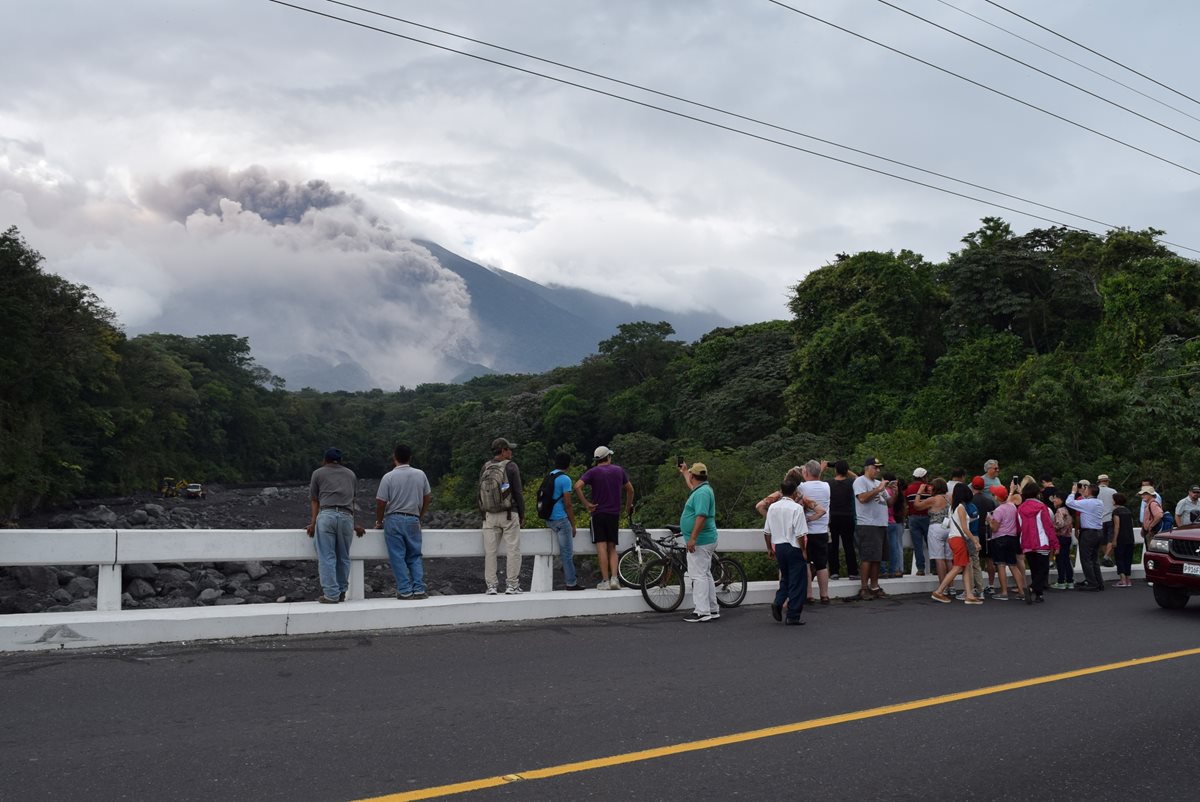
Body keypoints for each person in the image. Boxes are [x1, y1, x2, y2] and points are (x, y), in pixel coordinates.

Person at [307, 447, 365, 604]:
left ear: (325, 460)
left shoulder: (318, 473)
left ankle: (331, 594)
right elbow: (352, 501)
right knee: (343, 557)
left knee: (327, 556)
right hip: (346, 517)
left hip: (327, 515)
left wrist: (313, 523)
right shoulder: (350, 474)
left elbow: (315, 500)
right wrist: (354, 523)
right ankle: (341, 591)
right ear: (341, 461)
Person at [374, 443, 432, 600]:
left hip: (393, 519)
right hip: (413, 518)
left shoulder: (388, 477)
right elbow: (428, 497)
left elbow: (381, 502)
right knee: (414, 555)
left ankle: (405, 590)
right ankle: (419, 589)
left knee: (397, 556)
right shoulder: (420, 474)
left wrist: (379, 521)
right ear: (410, 458)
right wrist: (420, 514)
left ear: (394, 458)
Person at [575, 445, 634, 591]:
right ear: (608, 457)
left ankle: (605, 580)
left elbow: (577, 486)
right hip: (614, 514)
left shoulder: (593, 472)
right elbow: (630, 490)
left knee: (601, 547)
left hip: (598, 513)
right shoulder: (619, 470)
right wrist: (627, 506)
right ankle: (615, 579)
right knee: (612, 547)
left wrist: (587, 504)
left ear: (597, 460)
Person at [479, 437, 525, 595]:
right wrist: (522, 513)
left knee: (490, 552)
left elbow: (479, 493)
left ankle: (491, 586)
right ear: (504, 451)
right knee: (513, 549)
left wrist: (483, 515)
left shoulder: (486, 466)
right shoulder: (511, 467)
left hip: (489, 515)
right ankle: (512, 585)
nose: (511, 452)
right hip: (508, 514)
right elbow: (517, 492)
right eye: (509, 449)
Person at [765, 480, 809, 626]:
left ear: (781, 491)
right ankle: (793, 615)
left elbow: (766, 531)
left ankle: (778, 602)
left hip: (779, 546)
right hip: (794, 547)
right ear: (795, 492)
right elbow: (800, 534)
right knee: (797, 581)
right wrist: (803, 550)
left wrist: (770, 548)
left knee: (786, 578)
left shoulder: (772, 507)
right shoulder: (797, 508)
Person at [679, 461, 719, 623]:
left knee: (698, 576)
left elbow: (701, 516)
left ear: (694, 477)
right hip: (705, 539)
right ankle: (712, 608)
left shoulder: (702, 493)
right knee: (705, 573)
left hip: (701, 540)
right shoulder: (701, 490)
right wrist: (684, 473)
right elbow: (691, 486)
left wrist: (693, 538)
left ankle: (702, 611)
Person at [931, 484, 982, 604]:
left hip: (954, 539)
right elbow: (965, 528)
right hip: (960, 539)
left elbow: (948, 524)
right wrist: (975, 541)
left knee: (965, 566)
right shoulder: (961, 508)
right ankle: (939, 591)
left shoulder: (952, 508)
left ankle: (969, 594)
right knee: (958, 567)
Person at [852, 457, 891, 600]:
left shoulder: (877, 483)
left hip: (881, 523)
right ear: (867, 467)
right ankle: (864, 588)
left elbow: (889, 502)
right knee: (868, 557)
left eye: (879, 468)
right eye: (875, 467)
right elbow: (862, 498)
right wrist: (878, 489)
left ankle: (874, 586)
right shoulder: (860, 481)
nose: (878, 470)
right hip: (868, 524)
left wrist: (895, 491)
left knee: (877, 558)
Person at [545, 452, 583, 590]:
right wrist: (573, 524)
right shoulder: (565, 479)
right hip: (561, 520)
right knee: (567, 553)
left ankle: (569, 575)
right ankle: (571, 583)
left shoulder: (550, 475)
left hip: (549, 519)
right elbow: (568, 504)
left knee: (565, 553)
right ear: (568, 465)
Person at [1017, 481, 1058, 603]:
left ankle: (1038, 594)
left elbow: (1019, 527)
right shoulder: (1041, 507)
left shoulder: (1020, 508)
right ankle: (1032, 589)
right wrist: (1055, 543)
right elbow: (1048, 527)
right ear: (1037, 493)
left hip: (1026, 542)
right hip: (1042, 542)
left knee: (1035, 569)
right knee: (1043, 569)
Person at [987, 485, 1027, 601]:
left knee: (1001, 565)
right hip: (1012, 538)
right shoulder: (1012, 506)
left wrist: (990, 521)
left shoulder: (999, 510)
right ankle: (1021, 590)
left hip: (1000, 539)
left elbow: (994, 528)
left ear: (997, 497)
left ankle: (1004, 592)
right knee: (1013, 565)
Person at [1067, 481, 1106, 592]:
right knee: (1094, 559)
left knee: (1086, 559)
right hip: (1098, 532)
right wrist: (1083, 492)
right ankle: (1099, 582)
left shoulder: (1088, 503)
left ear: (1089, 492)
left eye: (1086, 489)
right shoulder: (1099, 502)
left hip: (1088, 533)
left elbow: (1069, 502)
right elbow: (1085, 501)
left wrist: (1073, 492)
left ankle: (1092, 583)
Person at [912, 478, 950, 587]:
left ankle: (943, 587)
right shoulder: (950, 497)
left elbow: (917, 506)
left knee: (939, 559)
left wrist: (919, 492)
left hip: (936, 528)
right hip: (949, 527)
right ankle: (951, 587)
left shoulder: (933, 500)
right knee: (949, 559)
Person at [827, 460, 858, 581]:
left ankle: (834, 572)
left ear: (835, 470)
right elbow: (858, 478)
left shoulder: (828, 483)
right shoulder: (851, 482)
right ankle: (853, 572)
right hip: (848, 516)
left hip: (833, 517)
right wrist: (846, 470)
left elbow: (816, 483)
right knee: (848, 545)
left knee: (833, 545)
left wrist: (823, 468)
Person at [971, 476, 997, 592]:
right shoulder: (989, 502)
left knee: (975, 561)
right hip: (987, 532)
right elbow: (992, 518)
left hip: (974, 532)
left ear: (972, 486)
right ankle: (991, 585)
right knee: (989, 560)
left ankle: (976, 586)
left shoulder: (970, 501)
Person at [1105, 493, 1136, 587]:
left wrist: (1114, 540)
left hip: (1121, 538)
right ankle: (1128, 580)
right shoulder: (1128, 511)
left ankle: (1122, 580)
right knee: (1128, 559)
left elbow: (1117, 526)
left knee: (1120, 558)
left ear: (1115, 501)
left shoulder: (1116, 512)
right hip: (1130, 538)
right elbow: (1131, 525)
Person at [905, 468, 932, 576]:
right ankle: (936, 566)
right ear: (923, 477)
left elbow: (906, 504)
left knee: (917, 545)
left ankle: (920, 568)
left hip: (913, 518)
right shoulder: (928, 488)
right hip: (926, 517)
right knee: (931, 543)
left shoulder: (908, 489)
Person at [883, 472, 906, 578]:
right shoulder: (897, 492)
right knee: (894, 547)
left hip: (885, 520)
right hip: (894, 521)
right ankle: (895, 569)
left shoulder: (885, 491)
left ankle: (882, 570)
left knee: (882, 547)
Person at [1050, 492, 1075, 590]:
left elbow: (1059, 524)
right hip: (1067, 537)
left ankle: (1061, 581)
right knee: (1066, 560)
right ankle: (1070, 581)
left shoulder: (1060, 510)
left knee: (1060, 560)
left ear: (1062, 500)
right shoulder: (1068, 510)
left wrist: (1051, 527)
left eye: (1056, 498)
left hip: (1060, 537)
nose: (1054, 500)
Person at [1096, 474, 1117, 543]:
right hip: (1110, 518)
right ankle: (1107, 554)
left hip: (1098, 520)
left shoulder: (1094, 491)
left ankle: (1103, 554)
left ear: (1098, 482)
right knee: (1110, 540)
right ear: (1107, 482)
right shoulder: (1113, 491)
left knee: (1100, 541)